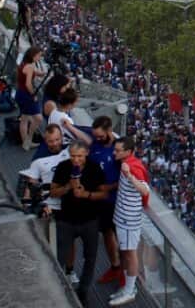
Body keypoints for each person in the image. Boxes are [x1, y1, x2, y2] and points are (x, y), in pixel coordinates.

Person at [50, 141, 107, 298]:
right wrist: (68, 186)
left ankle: (83, 290)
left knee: (90, 257)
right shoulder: (62, 167)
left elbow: (103, 194)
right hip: (66, 220)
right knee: (60, 255)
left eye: (79, 156)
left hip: (90, 220)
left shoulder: (95, 168)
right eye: (73, 156)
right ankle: (58, 288)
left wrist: (86, 194)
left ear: (87, 153)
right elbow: (53, 192)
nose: (76, 160)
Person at [110, 136, 150, 307]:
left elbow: (144, 189)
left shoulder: (133, 167)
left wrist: (128, 175)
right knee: (125, 252)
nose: (114, 153)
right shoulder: (128, 161)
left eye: (118, 151)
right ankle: (128, 286)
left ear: (128, 152)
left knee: (129, 253)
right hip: (122, 216)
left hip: (128, 219)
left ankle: (129, 291)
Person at [90, 116, 124, 289]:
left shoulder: (120, 149)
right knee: (107, 233)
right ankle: (115, 267)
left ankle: (128, 273)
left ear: (110, 130)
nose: (98, 138)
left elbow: (127, 178)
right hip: (101, 201)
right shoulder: (93, 145)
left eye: (101, 136)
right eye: (96, 136)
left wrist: (108, 188)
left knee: (123, 237)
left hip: (118, 201)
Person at [16, 47, 46, 151]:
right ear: (33, 55)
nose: (39, 58)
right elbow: (28, 84)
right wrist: (33, 94)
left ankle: (26, 143)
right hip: (26, 94)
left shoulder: (24, 63)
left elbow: (32, 72)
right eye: (39, 56)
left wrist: (41, 73)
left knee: (24, 118)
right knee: (38, 118)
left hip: (20, 93)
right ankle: (29, 139)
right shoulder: (30, 66)